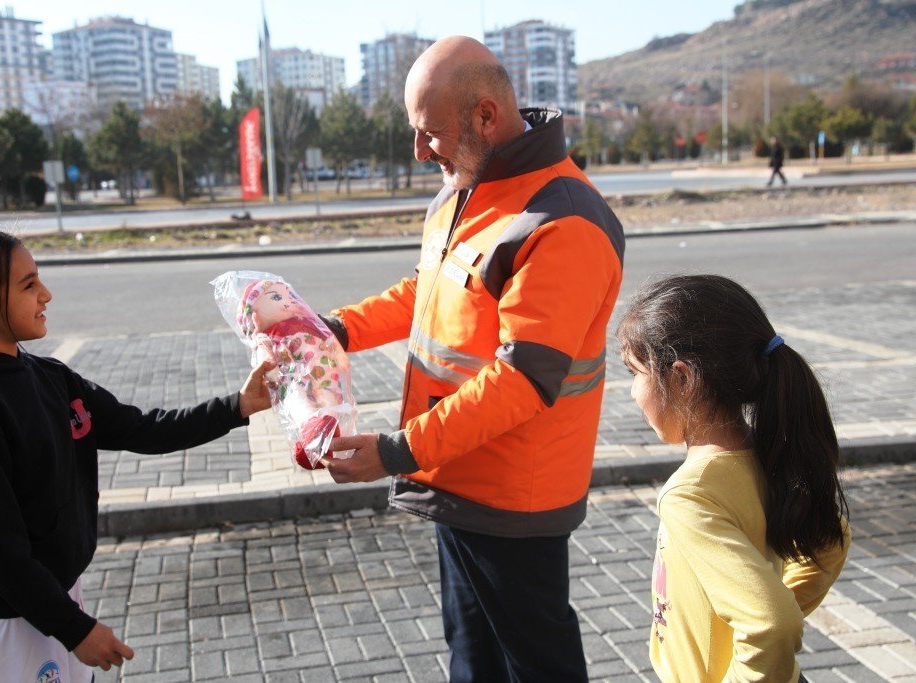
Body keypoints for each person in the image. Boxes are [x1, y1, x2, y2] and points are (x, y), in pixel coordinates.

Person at [319, 36, 625, 681]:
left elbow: (521, 382)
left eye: (430, 132)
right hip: (457, 477)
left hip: (514, 500)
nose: (418, 150)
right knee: (473, 659)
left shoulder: (562, 222)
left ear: (486, 116)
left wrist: (396, 451)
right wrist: (335, 330)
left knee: (536, 667)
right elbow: (427, 289)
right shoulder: (468, 185)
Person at [0, 227, 273, 683]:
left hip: (56, 596)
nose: (46, 294)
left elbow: (143, 429)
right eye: (28, 285)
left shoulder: (51, 377)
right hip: (7, 620)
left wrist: (239, 405)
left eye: (38, 279)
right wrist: (75, 630)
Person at [617, 274, 850, 682]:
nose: (632, 391)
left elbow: (770, 625)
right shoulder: (766, 453)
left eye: (635, 373)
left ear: (682, 378)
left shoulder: (690, 496)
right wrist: (783, 605)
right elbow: (832, 539)